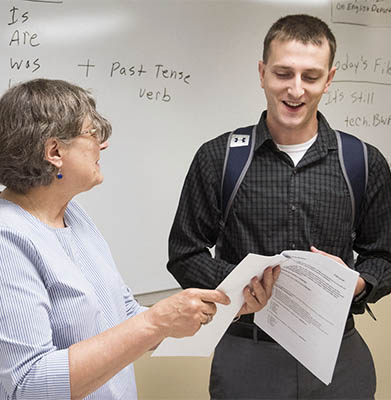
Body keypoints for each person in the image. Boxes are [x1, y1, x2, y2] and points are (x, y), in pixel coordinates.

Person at [168, 14, 391, 399]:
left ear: (329, 78)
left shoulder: (362, 160)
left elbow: (385, 254)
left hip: (339, 361)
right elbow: (184, 253)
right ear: (262, 73)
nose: (296, 90)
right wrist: (242, 286)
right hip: (247, 355)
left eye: (310, 76)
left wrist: (358, 282)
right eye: (283, 73)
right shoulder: (219, 158)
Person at [0, 78, 235, 400]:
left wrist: (224, 305)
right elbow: (28, 384)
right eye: (92, 133)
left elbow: (121, 316)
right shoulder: (7, 239)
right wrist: (156, 322)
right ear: (54, 151)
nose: (103, 144)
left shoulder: (74, 215)